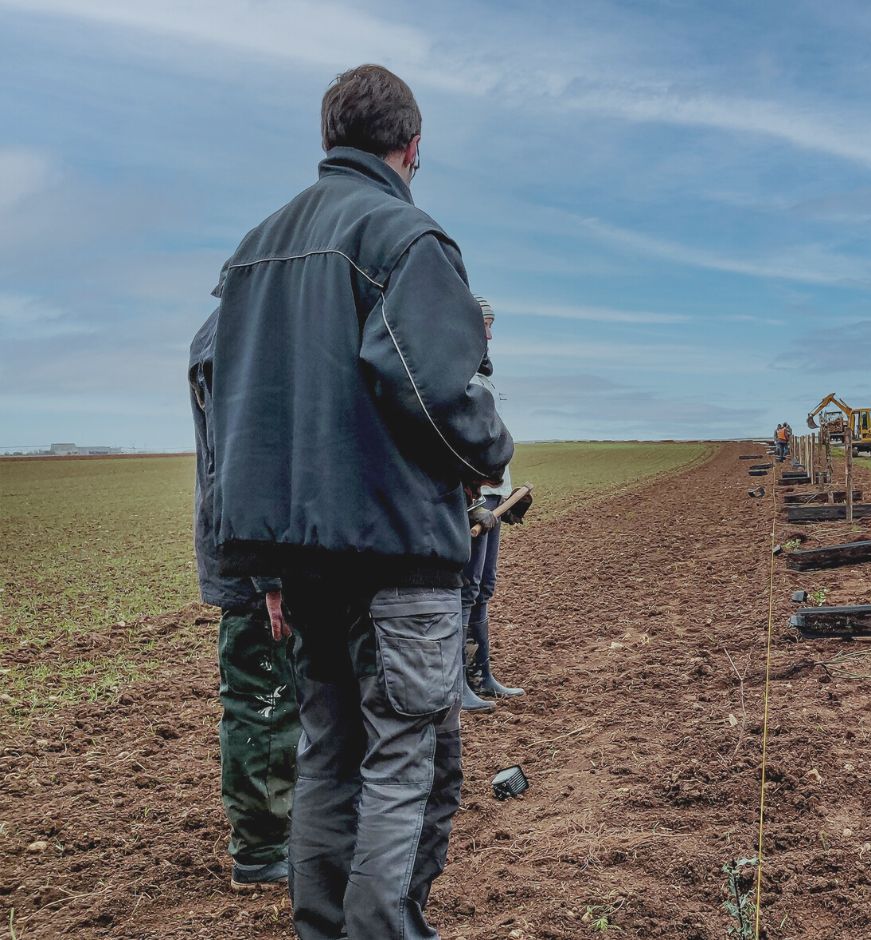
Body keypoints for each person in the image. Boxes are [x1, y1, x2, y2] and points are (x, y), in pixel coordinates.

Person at [202, 64, 512, 939]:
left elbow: (230, 419)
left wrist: (259, 563)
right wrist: (491, 453)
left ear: (330, 141)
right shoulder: (405, 239)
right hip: (397, 556)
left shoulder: (252, 252)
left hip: (301, 569)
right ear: (412, 148)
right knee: (406, 762)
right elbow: (431, 392)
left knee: (329, 757)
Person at [189, 313, 299, 891]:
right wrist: (270, 574)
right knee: (266, 701)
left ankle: (282, 828)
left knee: (282, 698)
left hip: (258, 557)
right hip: (256, 567)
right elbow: (243, 459)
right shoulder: (236, 336)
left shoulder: (232, 330)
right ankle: (260, 847)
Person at [460, 296, 524, 712]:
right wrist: (471, 501)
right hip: (474, 498)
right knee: (465, 591)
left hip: (494, 495)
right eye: (485, 323)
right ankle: (457, 683)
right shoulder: (456, 369)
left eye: (491, 324)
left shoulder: (484, 374)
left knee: (483, 588)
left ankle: (482, 674)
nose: (489, 332)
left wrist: (509, 494)